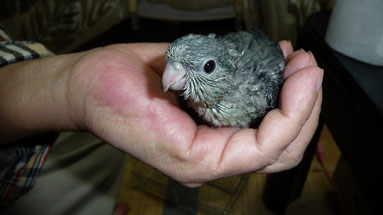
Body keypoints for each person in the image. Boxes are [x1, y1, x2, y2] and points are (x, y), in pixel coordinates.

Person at [0, 28, 323, 214]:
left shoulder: (258, 88)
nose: (172, 77)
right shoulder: (186, 86)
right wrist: (77, 89)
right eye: (173, 64)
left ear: (226, 70)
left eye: (206, 68)